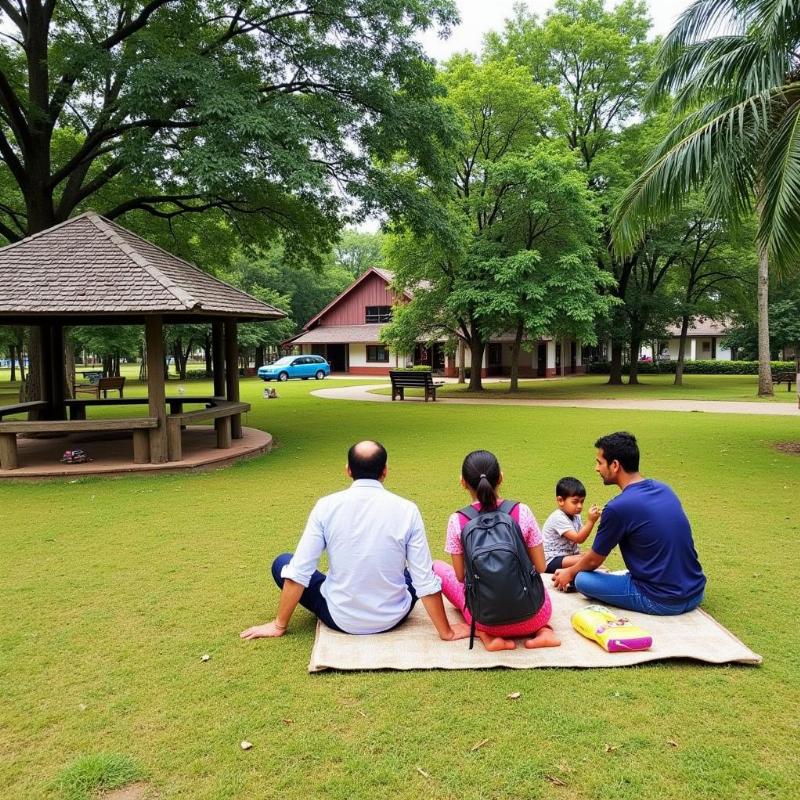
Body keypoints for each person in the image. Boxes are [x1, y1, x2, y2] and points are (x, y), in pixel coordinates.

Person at [240, 441, 470, 641]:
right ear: (385, 471)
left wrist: (279, 625)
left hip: (341, 617)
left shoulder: (326, 506)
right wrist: (446, 632)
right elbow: (423, 578)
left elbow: (300, 570)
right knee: (421, 569)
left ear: (348, 470)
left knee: (284, 562)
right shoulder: (407, 509)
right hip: (392, 616)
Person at [552, 432, 706, 615]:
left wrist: (569, 573)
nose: (597, 468)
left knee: (583, 579)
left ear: (615, 465)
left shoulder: (618, 507)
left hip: (661, 600)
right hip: (695, 592)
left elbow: (594, 560)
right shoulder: (664, 489)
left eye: (600, 462)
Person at [432, 450, 560, 652]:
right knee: (536, 587)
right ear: (500, 477)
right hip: (534, 615)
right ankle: (544, 631)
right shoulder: (521, 511)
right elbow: (541, 567)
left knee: (437, 568)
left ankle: (487, 636)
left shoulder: (457, 520)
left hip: (485, 619)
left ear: (463, 482)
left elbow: (459, 576)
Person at [541, 477, 601, 573]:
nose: (580, 506)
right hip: (551, 560)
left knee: (591, 557)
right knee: (589, 560)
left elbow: (582, 534)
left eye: (582, 501)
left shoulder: (576, 516)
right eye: (575, 502)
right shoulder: (558, 517)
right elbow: (579, 538)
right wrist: (590, 521)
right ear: (560, 500)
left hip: (567, 556)